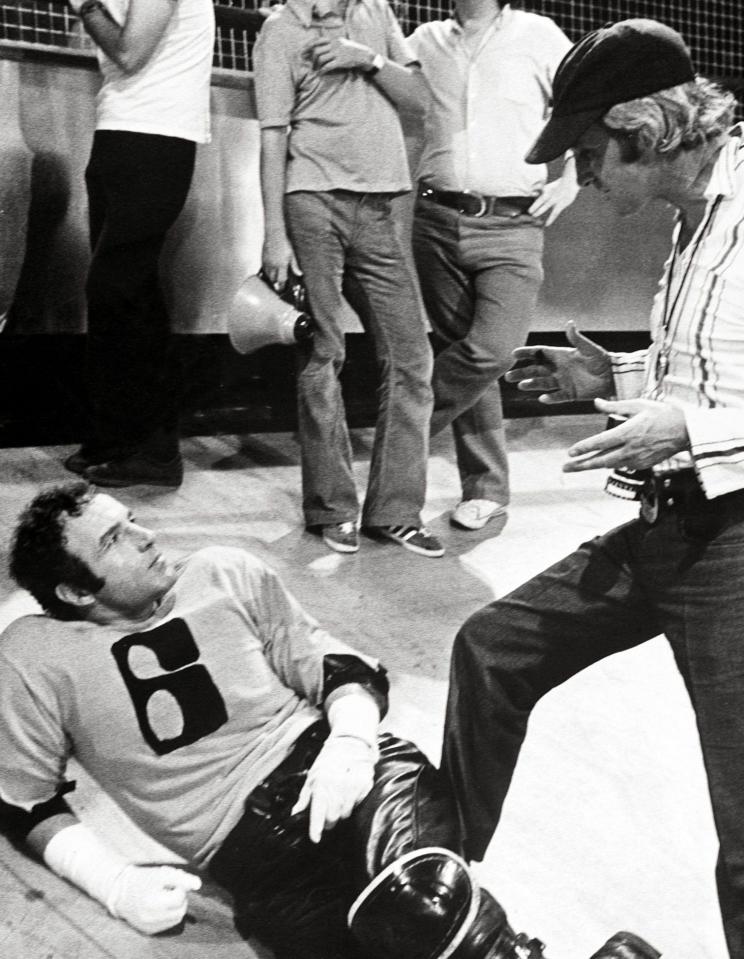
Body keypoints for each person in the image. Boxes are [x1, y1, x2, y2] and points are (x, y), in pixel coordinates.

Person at [440, 19, 744, 959]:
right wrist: (615, 384)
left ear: (645, 132)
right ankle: (424, 889)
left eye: (592, 153)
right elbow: (727, 375)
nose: (586, 175)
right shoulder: (697, 221)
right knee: (491, 649)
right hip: (668, 527)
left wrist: (688, 427)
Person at [0, 482, 659, 959]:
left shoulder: (223, 571)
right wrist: (110, 882)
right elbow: (22, 801)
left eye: (134, 519)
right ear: (75, 591)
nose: (147, 536)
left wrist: (350, 738)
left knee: (415, 904)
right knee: (380, 943)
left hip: (356, 776)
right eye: (115, 539)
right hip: (255, 861)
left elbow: (338, 666)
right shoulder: (36, 654)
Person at [253, 0, 443, 558]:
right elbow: (272, 135)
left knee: (412, 358)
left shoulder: (375, 14)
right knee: (322, 352)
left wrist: (367, 59)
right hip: (314, 201)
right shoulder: (280, 29)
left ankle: (395, 512)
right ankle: (332, 509)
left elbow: (419, 102)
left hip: (382, 207)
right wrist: (273, 234)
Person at [407, 0, 580, 532]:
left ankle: (400, 436)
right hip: (435, 219)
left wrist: (573, 175)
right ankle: (486, 489)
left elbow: (584, 103)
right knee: (460, 347)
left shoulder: (539, 34)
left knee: (491, 351)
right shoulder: (423, 42)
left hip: (513, 223)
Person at [63, 0, 215, 488]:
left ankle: (154, 448)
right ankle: (125, 441)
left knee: (114, 289)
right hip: (121, 132)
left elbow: (130, 53)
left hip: (157, 138)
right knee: (131, 294)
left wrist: (85, 6)